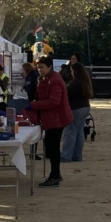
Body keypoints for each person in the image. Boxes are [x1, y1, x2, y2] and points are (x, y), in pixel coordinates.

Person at [29, 56, 73, 187]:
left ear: (49, 67)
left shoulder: (54, 80)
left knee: (52, 148)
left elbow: (54, 101)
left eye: (42, 67)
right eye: (38, 67)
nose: (39, 70)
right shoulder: (46, 78)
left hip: (56, 119)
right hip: (52, 118)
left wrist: (35, 105)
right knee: (51, 147)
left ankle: (55, 175)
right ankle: (55, 174)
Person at [62, 61, 93, 162]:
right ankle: (77, 156)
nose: (70, 73)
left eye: (71, 70)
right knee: (79, 131)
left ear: (75, 71)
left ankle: (66, 156)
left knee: (70, 132)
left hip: (75, 108)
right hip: (85, 107)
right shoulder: (85, 81)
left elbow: (66, 93)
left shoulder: (75, 82)